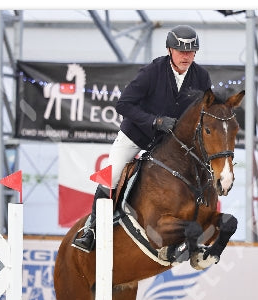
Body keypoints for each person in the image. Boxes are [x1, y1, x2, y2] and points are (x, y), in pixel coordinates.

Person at [72, 24, 212, 252]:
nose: (186, 56)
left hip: (170, 143)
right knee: (111, 175)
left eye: (190, 51)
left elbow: (203, 112)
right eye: (181, 51)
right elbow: (123, 104)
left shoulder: (201, 77)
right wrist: (155, 121)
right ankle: (92, 229)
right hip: (137, 135)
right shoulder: (152, 71)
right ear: (170, 50)